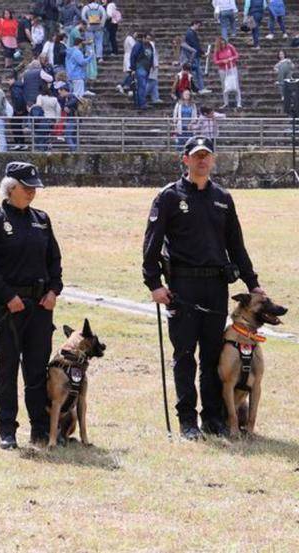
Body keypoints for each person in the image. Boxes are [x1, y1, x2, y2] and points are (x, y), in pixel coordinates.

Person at [142, 136, 263, 440]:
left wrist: (253, 283)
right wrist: (155, 284)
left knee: (212, 355)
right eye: (196, 155)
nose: (202, 160)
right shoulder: (168, 197)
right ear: (185, 159)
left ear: (213, 159)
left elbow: (236, 244)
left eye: (207, 155)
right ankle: (187, 421)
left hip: (215, 286)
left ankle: (213, 418)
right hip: (181, 287)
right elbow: (151, 245)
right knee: (184, 355)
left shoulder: (222, 197)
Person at [0, 161, 61, 450]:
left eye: (34, 188)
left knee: (37, 369)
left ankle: (40, 427)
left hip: (39, 305)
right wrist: (8, 297)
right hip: (8, 308)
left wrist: (54, 291)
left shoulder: (42, 219)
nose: (32, 193)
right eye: (27, 188)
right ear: (11, 188)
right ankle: (7, 429)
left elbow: (54, 260)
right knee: (7, 368)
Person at [213, 37, 241, 109]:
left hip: (232, 67)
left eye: (224, 43)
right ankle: (226, 102)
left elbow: (237, 55)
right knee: (224, 86)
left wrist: (231, 58)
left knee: (236, 84)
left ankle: (238, 103)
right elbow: (215, 61)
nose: (223, 45)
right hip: (222, 69)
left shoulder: (230, 47)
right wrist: (222, 61)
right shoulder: (217, 50)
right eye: (221, 44)